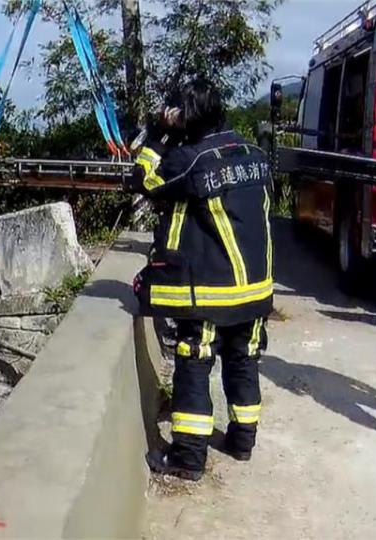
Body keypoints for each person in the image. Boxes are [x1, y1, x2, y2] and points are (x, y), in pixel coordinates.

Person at [125, 79, 274, 481]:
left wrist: (159, 135)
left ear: (186, 115)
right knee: (243, 360)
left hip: (213, 291)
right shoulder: (254, 154)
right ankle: (243, 441)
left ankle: (188, 458)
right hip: (257, 288)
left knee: (194, 362)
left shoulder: (192, 159)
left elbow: (144, 180)